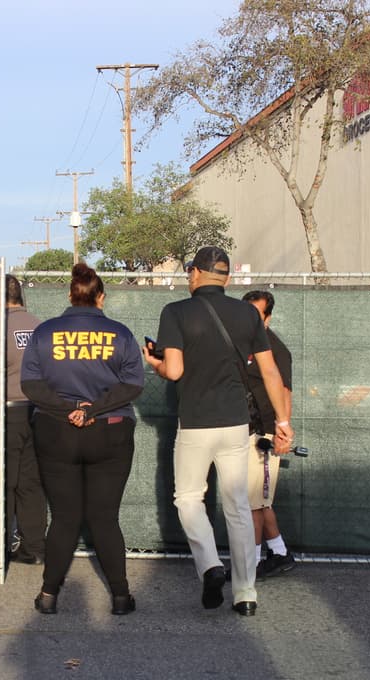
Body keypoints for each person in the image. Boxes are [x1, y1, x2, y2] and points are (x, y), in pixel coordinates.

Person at [142, 247, 292, 617]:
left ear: (195, 273)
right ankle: (245, 593)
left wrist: (155, 364)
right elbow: (271, 373)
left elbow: (174, 371)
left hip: (195, 422)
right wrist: (283, 423)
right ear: (225, 277)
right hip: (236, 423)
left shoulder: (176, 312)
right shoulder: (247, 314)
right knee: (238, 505)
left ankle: (210, 565)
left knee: (189, 498)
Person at [21, 263, 144, 615]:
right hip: (111, 430)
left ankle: (48, 596)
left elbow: (31, 385)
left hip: (57, 432)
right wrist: (93, 410)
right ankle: (120, 597)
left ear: (70, 295)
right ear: (101, 298)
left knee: (63, 517)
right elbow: (133, 384)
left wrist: (67, 410)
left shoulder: (45, 333)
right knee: (105, 517)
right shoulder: (119, 334)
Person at [242, 289, 295, 578]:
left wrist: (282, 430)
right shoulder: (240, 346)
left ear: (268, 318)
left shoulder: (276, 350)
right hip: (239, 431)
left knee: (253, 505)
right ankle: (280, 553)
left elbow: (284, 391)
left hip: (262, 435)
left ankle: (246, 570)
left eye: (256, 314)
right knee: (259, 502)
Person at [0, 274, 47, 564]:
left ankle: (1, 547)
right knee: (32, 481)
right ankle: (34, 548)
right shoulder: (40, 326)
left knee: (4, 480)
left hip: (8, 412)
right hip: (39, 411)